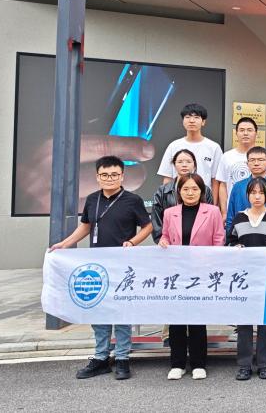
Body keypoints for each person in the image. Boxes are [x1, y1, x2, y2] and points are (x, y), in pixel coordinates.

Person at [49, 156, 152, 381]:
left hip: (122, 266)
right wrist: (64, 244)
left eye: (114, 175)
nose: (109, 179)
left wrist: (132, 242)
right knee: (99, 311)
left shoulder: (133, 200)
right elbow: (86, 226)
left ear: (122, 176)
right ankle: (101, 358)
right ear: (97, 177)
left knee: (122, 312)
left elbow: (147, 226)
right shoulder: (92, 199)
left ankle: (122, 358)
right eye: (105, 175)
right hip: (97, 266)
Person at [157, 173, 224, 381]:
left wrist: (211, 267)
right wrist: (163, 241)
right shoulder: (170, 213)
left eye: (195, 189)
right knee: (176, 320)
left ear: (202, 191)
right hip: (176, 273)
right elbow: (165, 235)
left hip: (201, 273)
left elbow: (219, 240)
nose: (190, 193)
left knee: (197, 319)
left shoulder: (212, 212)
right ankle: (177, 363)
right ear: (179, 192)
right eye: (185, 189)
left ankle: (198, 363)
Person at [227, 177, 266, 380]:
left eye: (261, 193)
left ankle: (264, 364)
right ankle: (244, 365)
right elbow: (230, 242)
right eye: (253, 193)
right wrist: (234, 247)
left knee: (265, 324)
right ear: (247, 195)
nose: (257, 197)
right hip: (243, 279)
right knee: (244, 324)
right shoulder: (239, 218)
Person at [157, 103, 224, 206]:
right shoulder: (174, 146)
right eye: (187, 117)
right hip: (177, 201)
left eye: (196, 117)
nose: (191, 121)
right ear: (183, 121)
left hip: (204, 200)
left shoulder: (213, 147)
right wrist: (168, 204)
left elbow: (215, 180)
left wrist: (213, 206)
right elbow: (168, 177)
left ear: (203, 122)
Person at [151, 149, 213, 243]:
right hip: (170, 243)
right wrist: (162, 240)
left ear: (194, 165)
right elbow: (156, 218)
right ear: (174, 164)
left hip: (199, 243)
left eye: (188, 162)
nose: (184, 165)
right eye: (180, 162)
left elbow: (210, 217)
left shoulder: (205, 189)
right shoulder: (163, 191)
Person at [216, 117, 266, 214]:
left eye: (249, 130)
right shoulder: (226, 156)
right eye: (242, 130)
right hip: (235, 207)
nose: (245, 133)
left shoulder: (265, 155)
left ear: (256, 133)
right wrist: (224, 212)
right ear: (236, 133)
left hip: (261, 208)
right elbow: (223, 185)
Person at [225, 147, 266, 235]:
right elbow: (230, 217)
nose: (256, 163)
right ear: (247, 163)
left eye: (260, 160)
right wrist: (230, 239)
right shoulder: (238, 187)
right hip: (242, 236)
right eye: (252, 160)